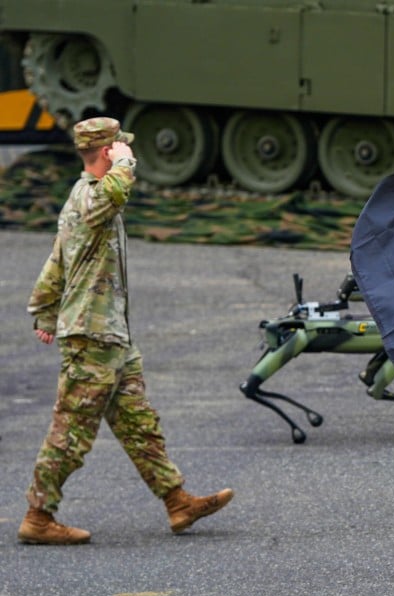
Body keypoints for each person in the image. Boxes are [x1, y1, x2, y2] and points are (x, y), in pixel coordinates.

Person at [18, 116, 233, 545]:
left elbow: (57, 262)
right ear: (105, 152)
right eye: (120, 148)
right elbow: (107, 198)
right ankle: (38, 517)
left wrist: (44, 311)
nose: (128, 154)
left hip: (112, 337)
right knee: (71, 431)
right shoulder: (90, 197)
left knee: (139, 425)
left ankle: (177, 502)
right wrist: (124, 166)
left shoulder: (91, 199)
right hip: (92, 338)